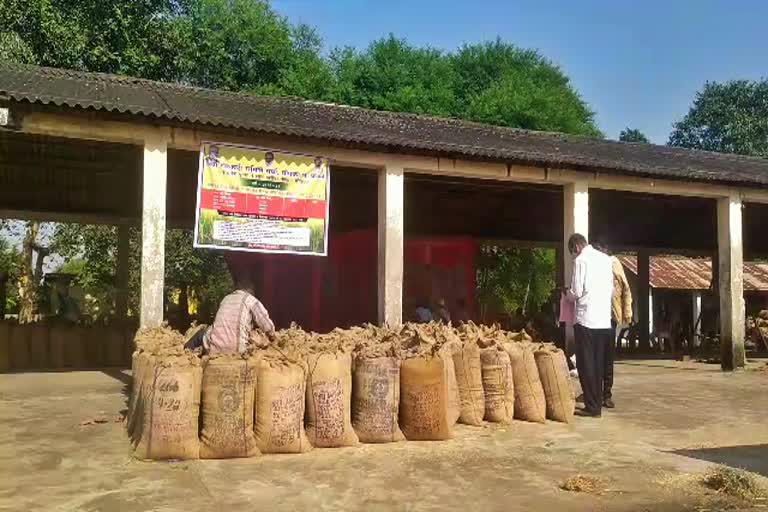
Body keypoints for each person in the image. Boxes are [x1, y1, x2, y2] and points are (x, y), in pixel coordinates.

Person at [566, 233, 614, 418]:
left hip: (586, 320)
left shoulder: (581, 261)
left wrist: (567, 294)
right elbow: (611, 290)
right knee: (599, 364)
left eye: (572, 252)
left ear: (576, 247)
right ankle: (597, 403)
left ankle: (592, 406)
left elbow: (576, 291)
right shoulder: (606, 260)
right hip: (603, 320)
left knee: (586, 365)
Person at [185, 267, 275, 354]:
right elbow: (267, 326)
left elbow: (218, 323)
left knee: (201, 334)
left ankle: (185, 354)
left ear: (237, 287)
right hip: (238, 349)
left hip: (213, 349)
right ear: (251, 288)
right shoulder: (251, 301)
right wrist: (273, 337)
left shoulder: (226, 299)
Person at [592, 240, 632, 409]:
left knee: (607, 357)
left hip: (609, 318)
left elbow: (626, 288)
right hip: (593, 317)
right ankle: (596, 393)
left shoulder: (614, 264)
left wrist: (627, 314)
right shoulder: (591, 265)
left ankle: (606, 394)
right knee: (595, 357)